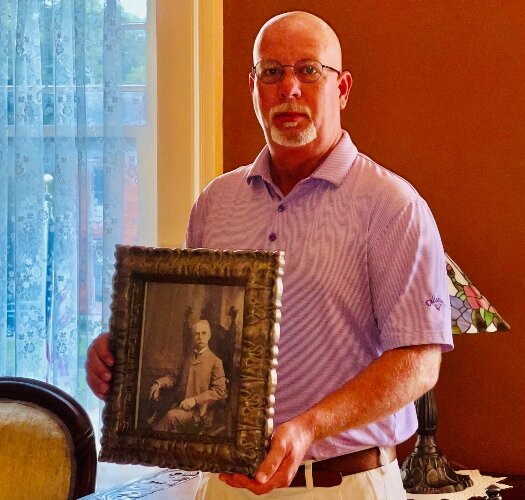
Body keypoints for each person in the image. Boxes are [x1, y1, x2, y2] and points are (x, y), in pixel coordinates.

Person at [86, 11, 453, 499]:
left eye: (308, 70)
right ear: (254, 88)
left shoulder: (393, 207)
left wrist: (308, 428)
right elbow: (194, 329)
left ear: (341, 88)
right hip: (222, 486)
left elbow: (419, 361)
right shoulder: (217, 203)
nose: (290, 89)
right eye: (272, 72)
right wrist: (122, 359)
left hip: (341, 485)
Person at [148, 319, 227, 434]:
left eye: (204, 333)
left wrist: (195, 400)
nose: (200, 337)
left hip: (199, 413)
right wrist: (158, 383)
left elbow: (219, 391)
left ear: (209, 335)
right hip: (178, 405)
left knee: (170, 417)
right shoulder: (187, 357)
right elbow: (174, 377)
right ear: (193, 337)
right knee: (155, 415)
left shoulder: (215, 361)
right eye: (197, 333)